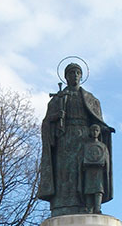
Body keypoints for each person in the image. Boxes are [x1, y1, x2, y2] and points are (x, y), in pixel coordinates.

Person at [39, 63, 114, 216]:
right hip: (65, 139)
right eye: (71, 73)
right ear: (66, 77)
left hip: (86, 140)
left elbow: (97, 122)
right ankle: (63, 205)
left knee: (87, 172)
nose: (74, 76)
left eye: (77, 73)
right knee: (66, 173)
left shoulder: (91, 100)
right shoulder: (57, 99)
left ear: (81, 76)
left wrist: (103, 130)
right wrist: (55, 117)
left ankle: (88, 205)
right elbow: (46, 123)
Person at [79, 124, 109, 214]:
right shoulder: (86, 146)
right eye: (93, 130)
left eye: (96, 130)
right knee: (88, 189)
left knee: (98, 190)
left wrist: (104, 164)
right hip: (89, 170)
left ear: (99, 132)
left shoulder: (102, 146)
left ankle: (97, 208)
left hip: (99, 171)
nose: (94, 132)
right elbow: (81, 158)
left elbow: (106, 159)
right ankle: (89, 208)